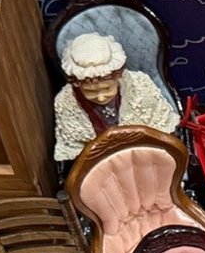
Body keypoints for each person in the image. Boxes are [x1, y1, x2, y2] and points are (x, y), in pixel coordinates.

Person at [52, 31, 179, 161]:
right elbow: (77, 151)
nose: (101, 97)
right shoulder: (66, 102)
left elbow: (162, 129)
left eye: (107, 88)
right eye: (90, 91)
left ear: (118, 78)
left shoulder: (141, 87)